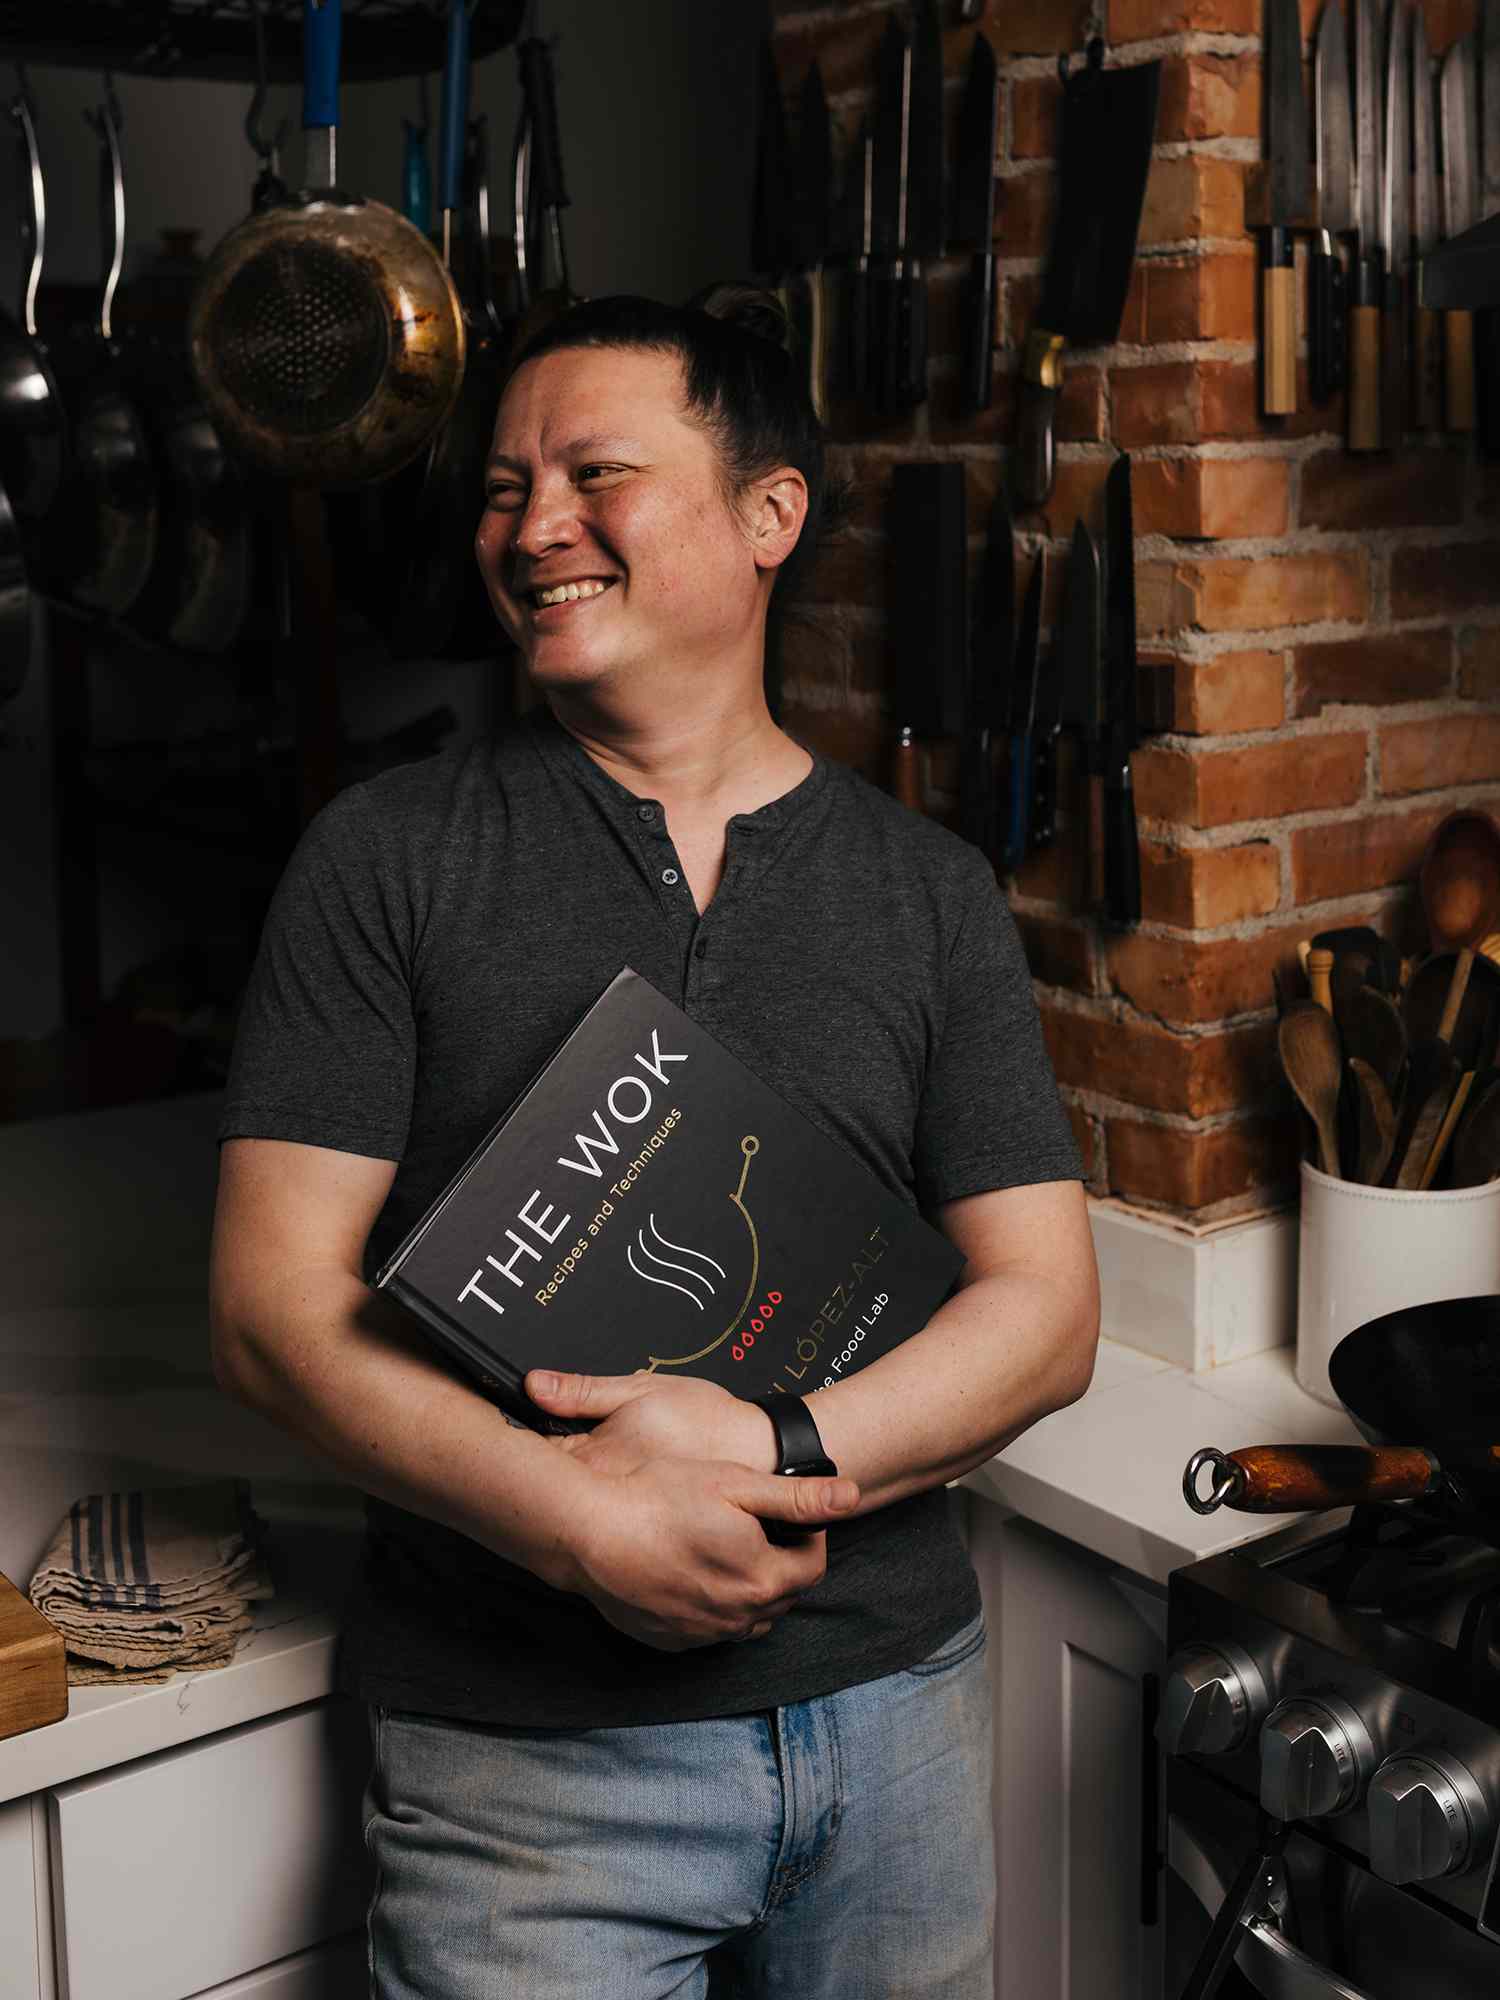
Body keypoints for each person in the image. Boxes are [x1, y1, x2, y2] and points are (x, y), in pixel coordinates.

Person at [208, 285, 1099, 2000]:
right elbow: (271, 1316)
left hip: (899, 1724)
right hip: (528, 1778)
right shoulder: (385, 860)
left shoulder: (927, 893)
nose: (533, 526)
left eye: (594, 473)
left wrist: (773, 1439)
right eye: (500, 488)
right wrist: (572, 1525)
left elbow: (1043, 1309)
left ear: (770, 514)